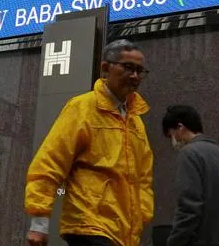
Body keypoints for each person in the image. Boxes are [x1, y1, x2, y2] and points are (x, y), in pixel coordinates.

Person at [24, 39, 154, 246]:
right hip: (88, 224)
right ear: (105, 68)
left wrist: (142, 214)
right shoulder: (82, 108)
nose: (135, 76)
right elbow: (50, 162)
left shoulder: (135, 121)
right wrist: (39, 222)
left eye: (140, 70)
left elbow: (143, 177)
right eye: (129, 68)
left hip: (124, 232)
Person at [161, 105, 219, 246]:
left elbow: (189, 209)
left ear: (180, 127)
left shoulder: (189, 154)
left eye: (171, 136)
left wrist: (174, 242)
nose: (173, 142)